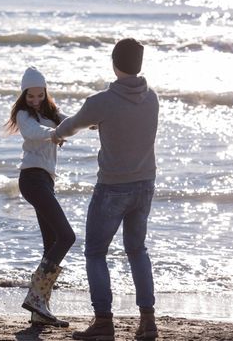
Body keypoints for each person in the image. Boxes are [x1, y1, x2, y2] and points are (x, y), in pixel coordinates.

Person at [52, 38, 159, 340]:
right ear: (139, 65)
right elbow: (129, 127)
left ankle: (103, 322)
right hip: (145, 184)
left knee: (96, 252)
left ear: (114, 63)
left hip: (113, 187)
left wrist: (56, 135)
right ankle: (148, 322)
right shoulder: (152, 98)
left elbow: (72, 125)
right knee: (137, 250)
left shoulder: (101, 102)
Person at [5, 66, 76, 327]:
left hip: (45, 181)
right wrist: (55, 134)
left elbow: (72, 123)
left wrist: (95, 121)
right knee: (67, 236)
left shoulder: (52, 113)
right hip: (32, 179)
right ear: (24, 95)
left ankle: (39, 310)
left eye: (39, 95)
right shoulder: (25, 115)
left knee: (52, 244)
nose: (35, 100)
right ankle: (35, 297)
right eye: (30, 96)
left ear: (46, 93)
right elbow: (33, 133)